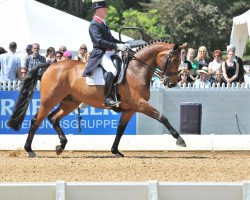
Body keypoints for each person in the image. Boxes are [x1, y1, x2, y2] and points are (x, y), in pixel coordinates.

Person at [82, 0, 129, 107]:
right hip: (101, 53)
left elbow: (111, 39)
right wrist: (117, 46)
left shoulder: (102, 23)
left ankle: (117, 93)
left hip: (110, 52)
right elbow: (100, 42)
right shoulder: (94, 24)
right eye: (105, 9)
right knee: (112, 70)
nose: (106, 11)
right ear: (98, 10)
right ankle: (107, 98)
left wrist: (124, 44)